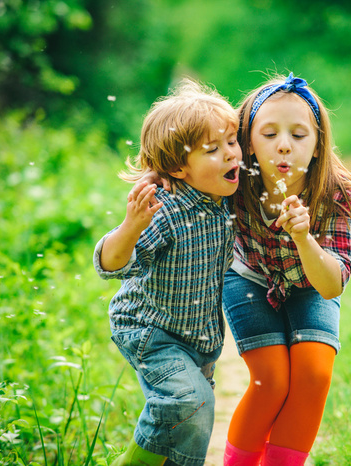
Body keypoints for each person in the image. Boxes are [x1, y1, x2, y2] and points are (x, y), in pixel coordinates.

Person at [222, 72, 351, 466]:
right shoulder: (235, 183)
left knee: (314, 374)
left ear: (319, 143)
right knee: (270, 381)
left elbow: (330, 286)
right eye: (269, 135)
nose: (284, 146)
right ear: (248, 143)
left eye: (299, 135)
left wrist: (305, 238)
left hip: (311, 283)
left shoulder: (336, 194)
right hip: (248, 276)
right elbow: (184, 170)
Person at [93, 78, 242, 466]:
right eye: (213, 149)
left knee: (195, 418)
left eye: (232, 141)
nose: (231, 155)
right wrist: (131, 227)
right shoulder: (166, 210)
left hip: (198, 336)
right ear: (179, 167)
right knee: (188, 402)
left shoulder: (227, 198)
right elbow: (110, 266)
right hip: (149, 329)